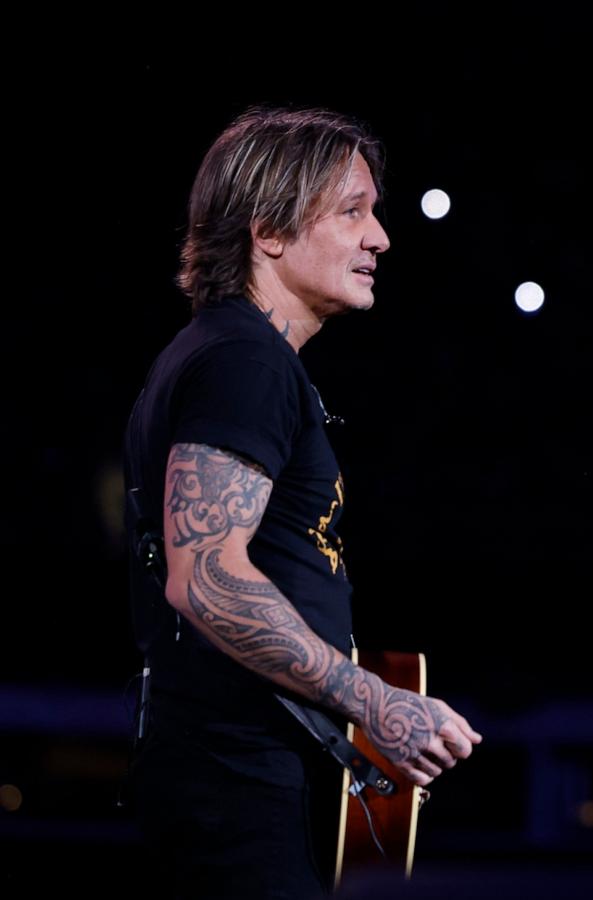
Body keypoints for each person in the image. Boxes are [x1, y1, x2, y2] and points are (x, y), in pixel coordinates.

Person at [123, 107, 482, 897]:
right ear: (270, 232)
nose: (380, 237)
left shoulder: (231, 356)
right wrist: (374, 702)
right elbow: (205, 576)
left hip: (240, 774)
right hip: (236, 784)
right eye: (353, 211)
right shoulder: (244, 362)